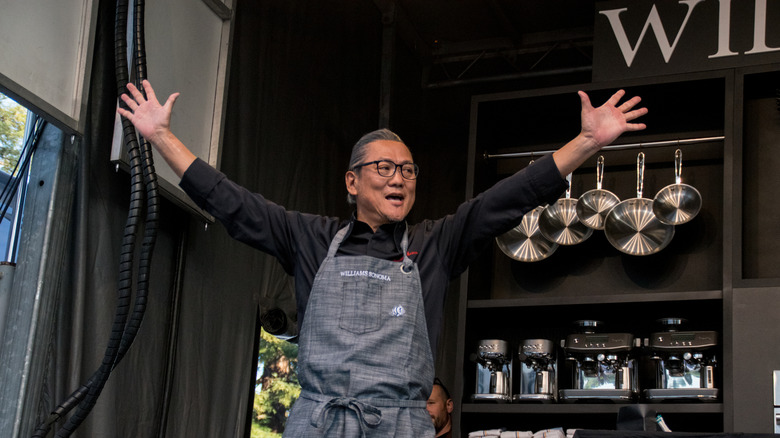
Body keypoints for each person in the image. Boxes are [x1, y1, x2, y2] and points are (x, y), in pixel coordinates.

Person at [117, 80, 647, 437]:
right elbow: (229, 201)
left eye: (409, 169)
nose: (399, 177)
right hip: (318, 423)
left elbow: (509, 197)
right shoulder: (308, 237)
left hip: (399, 426)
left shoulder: (437, 242)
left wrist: (586, 141)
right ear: (352, 181)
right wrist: (161, 136)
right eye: (384, 167)